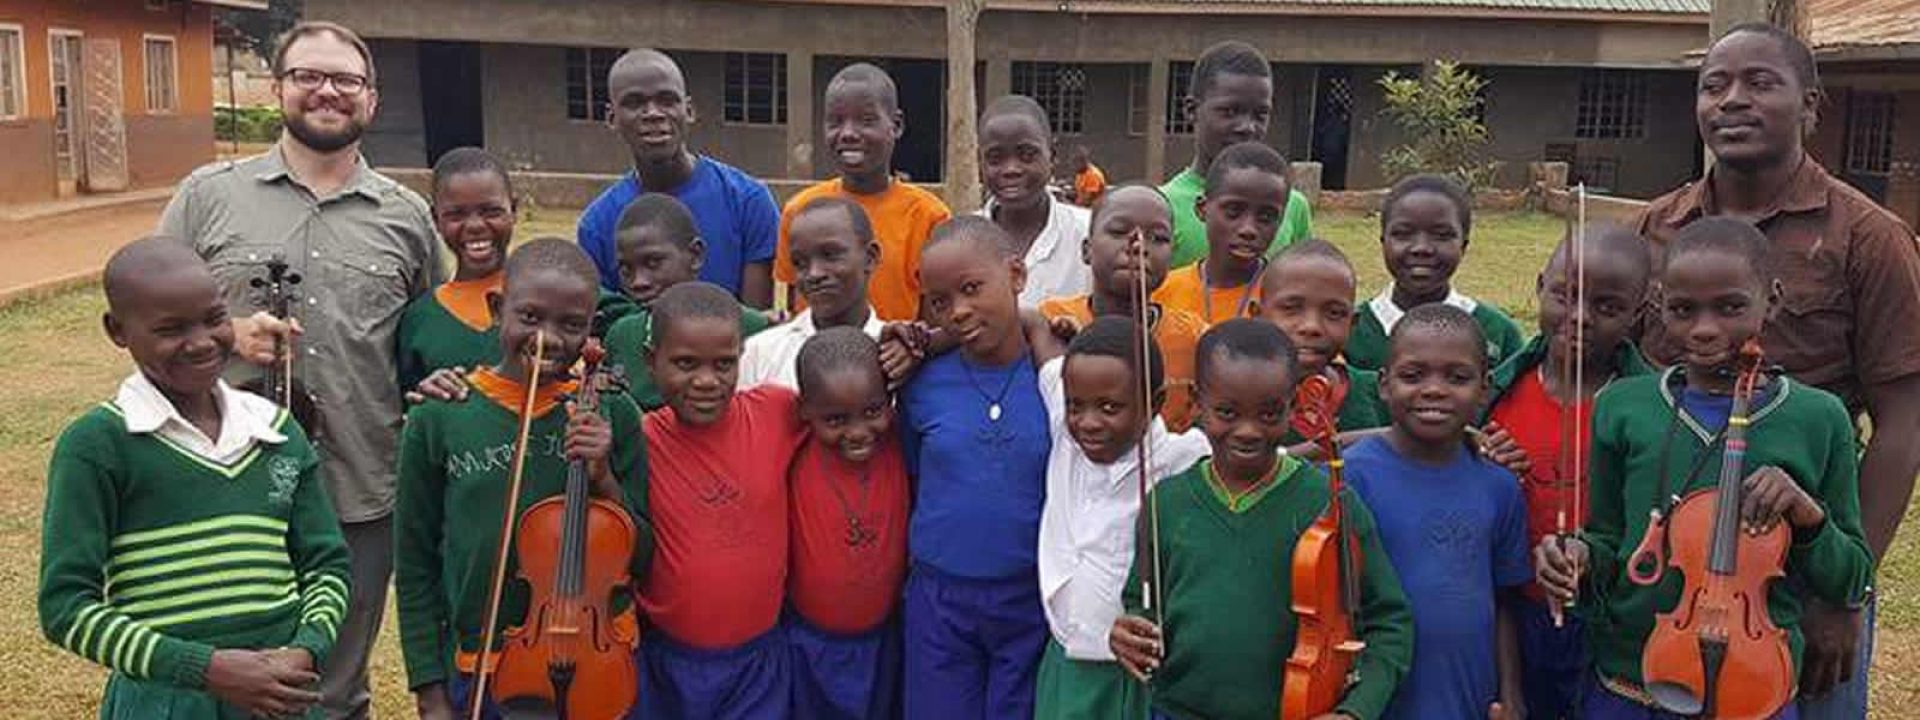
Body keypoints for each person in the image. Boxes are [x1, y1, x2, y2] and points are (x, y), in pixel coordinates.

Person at [1633, 25, 1920, 717]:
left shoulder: (1869, 237)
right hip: (1679, 560)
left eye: (1760, 82)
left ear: (1811, 106)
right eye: (1714, 85)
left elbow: (1904, 422)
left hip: (1802, 563)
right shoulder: (1656, 229)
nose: (1732, 100)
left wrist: (1845, 589)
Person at [156, 21, 439, 718]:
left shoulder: (407, 217)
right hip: (217, 486)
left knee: (335, 684)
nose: (327, 92)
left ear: (371, 99)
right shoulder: (208, 195)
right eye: (308, 75)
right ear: (279, 86)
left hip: (359, 488)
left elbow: (433, 343)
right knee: (224, 675)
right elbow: (145, 320)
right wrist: (225, 337)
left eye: (345, 80)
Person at [1536, 218, 1873, 720]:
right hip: (1628, 679)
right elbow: (1610, 539)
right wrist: (1577, 556)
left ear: (1772, 300)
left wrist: (1808, 515)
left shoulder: (1820, 418)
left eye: (1731, 307)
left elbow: (1853, 574)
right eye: (1683, 310)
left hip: (1753, 679)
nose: (1705, 328)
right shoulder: (1624, 407)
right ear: (1657, 305)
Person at [39, 238, 351, 719]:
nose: (202, 341)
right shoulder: (98, 445)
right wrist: (205, 669)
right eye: (170, 329)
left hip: (281, 696)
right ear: (117, 331)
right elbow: (65, 607)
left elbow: (326, 564)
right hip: (164, 702)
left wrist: (306, 649)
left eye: (213, 318)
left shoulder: (275, 431)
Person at [392, 239, 651, 720]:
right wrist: (429, 691)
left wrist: (605, 478)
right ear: (497, 309)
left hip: (600, 661)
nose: (547, 339)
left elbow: (646, 555)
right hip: (483, 662)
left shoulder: (612, 413)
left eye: (571, 325)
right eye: (529, 317)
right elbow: (414, 562)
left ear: (591, 329)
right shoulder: (440, 416)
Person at [1108, 319, 1413, 720]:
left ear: (1293, 406)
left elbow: (1389, 621)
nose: (1248, 430)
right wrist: (1129, 630)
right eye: (1227, 412)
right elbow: (1142, 603)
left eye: (1269, 414)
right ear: (1198, 403)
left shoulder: (1330, 503)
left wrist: (1356, 710)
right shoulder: (1166, 502)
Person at [1479, 225, 1656, 720]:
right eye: (1565, 295)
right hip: (1511, 615)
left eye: (1607, 307)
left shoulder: (1650, 406)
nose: (1579, 318)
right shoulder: (1498, 392)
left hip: (1609, 621)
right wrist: (1479, 464)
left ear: (1638, 314)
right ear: (1540, 286)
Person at [897, 217, 1053, 718]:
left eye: (971, 289)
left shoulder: (1055, 379)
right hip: (939, 599)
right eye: (941, 302)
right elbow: (914, 476)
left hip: (1028, 595)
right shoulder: (923, 384)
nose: (959, 312)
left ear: (1016, 275)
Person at [1343, 304, 1529, 719]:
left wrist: (1511, 694)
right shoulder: (1352, 478)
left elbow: (1504, 601)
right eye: (1413, 376)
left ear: (1484, 389)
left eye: (1457, 378)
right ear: (1384, 385)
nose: (1434, 390)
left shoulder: (1499, 485)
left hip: (1469, 697)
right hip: (1375, 702)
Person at [638, 282, 805, 718]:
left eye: (724, 364)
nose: (707, 381)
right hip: (666, 662)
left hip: (759, 660)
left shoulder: (777, 412)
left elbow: (850, 394)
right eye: (686, 364)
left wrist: (913, 342)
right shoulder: (639, 439)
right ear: (650, 362)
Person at [1034, 318, 1210, 719]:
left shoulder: (1184, 456)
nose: (1088, 422)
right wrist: (1054, 327)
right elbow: (1033, 330)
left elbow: (1274, 461)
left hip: (1134, 674)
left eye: (1110, 408)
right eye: (1077, 405)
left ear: (1157, 402)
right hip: (1065, 662)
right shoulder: (1064, 427)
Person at [576, 49, 779, 307]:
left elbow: (757, 328)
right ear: (612, 118)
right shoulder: (597, 225)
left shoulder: (747, 202)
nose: (653, 113)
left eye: (667, 100)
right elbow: (608, 323)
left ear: (689, 110)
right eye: (635, 103)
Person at [787, 328, 911, 719]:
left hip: (882, 641)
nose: (858, 432)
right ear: (805, 410)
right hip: (807, 645)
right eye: (836, 419)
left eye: (873, 412)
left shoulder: (900, 444)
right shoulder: (792, 452)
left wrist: (914, 344)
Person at [777, 63, 952, 322]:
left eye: (866, 121)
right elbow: (792, 308)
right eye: (836, 121)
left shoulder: (929, 217)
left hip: (897, 359)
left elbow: (935, 319)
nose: (848, 133)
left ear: (897, 125)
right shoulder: (801, 211)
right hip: (817, 356)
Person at [1038, 184, 1205, 431]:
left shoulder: (1194, 338)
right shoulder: (1051, 322)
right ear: (1086, 251)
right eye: (1118, 232)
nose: (1138, 245)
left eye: (1158, 238)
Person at [601, 194, 771, 408]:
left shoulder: (751, 329)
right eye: (626, 270)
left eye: (653, 263)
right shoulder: (622, 336)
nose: (638, 282)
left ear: (695, 256)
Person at [1345, 174, 1525, 372]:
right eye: (1403, 234)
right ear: (1383, 242)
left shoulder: (1497, 334)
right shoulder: (1351, 331)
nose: (1421, 248)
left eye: (1441, 235)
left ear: (1463, 246)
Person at [1160, 40, 1312, 269]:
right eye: (1230, 112)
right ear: (1191, 111)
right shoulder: (1164, 206)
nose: (1247, 127)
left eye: (1260, 114)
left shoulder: (1292, 205)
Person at [739, 197, 886, 391]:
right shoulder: (762, 353)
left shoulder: (894, 354)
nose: (814, 273)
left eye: (830, 255)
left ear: (870, 258)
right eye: (800, 263)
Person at [397, 147, 514, 392]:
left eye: (491, 211)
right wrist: (426, 392)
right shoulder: (421, 319)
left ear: (514, 210)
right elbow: (409, 403)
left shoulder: (554, 295)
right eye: (456, 215)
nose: (474, 226)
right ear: (435, 219)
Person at [1256, 238, 1389, 453]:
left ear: (1352, 323)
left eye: (1334, 313)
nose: (1312, 327)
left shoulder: (1379, 393)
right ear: (1257, 315)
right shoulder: (1232, 397)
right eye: (1291, 308)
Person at [1154, 141, 1291, 325]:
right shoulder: (1161, 294)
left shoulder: (1288, 298)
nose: (1248, 229)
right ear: (1202, 209)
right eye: (1233, 212)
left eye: (1266, 217)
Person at [976, 95, 1090, 307]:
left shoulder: (1089, 233)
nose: (1011, 169)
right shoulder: (962, 240)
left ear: (1052, 155)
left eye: (1027, 155)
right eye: (995, 158)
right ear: (980, 162)